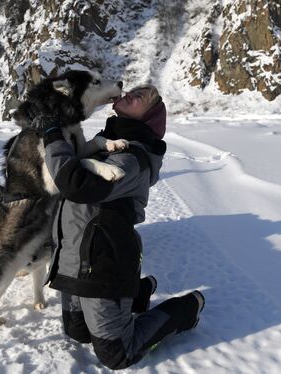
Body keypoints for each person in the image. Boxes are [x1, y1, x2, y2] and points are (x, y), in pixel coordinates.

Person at [40, 84, 205, 370]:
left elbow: (75, 184)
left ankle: (186, 309)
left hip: (103, 265)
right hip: (72, 258)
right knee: (77, 332)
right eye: (133, 91)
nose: (129, 94)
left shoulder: (132, 160)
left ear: (148, 118)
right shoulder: (108, 141)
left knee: (118, 355)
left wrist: (52, 135)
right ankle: (138, 292)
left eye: (139, 97)